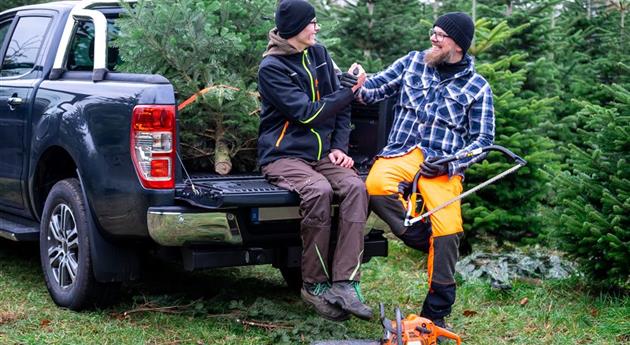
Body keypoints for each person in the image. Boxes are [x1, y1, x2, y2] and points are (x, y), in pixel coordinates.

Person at [347, 12, 495, 328]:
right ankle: (417, 235)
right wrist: (357, 82)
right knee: (376, 185)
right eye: (433, 31)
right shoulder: (413, 62)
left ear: (458, 44)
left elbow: (483, 140)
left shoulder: (478, 87)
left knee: (449, 229)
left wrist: (453, 162)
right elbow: (373, 90)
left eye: (440, 34)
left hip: (441, 163)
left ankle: (436, 312)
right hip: (402, 151)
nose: (433, 37)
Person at [257, 0, 372, 321]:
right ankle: (314, 284)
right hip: (283, 156)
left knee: (355, 187)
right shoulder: (272, 68)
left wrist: (338, 146)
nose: (317, 28)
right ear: (295, 28)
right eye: (312, 23)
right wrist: (348, 93)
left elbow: (340, 105)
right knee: (318, 191)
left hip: (322, 154)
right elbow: (306, 113)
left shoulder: (320, 55)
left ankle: (346, 283)